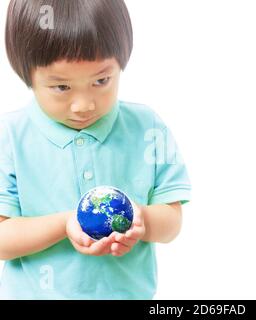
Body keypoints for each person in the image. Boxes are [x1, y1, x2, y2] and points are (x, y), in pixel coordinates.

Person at [0, 0, 191, 299]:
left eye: (101, 80)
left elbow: (172, 223)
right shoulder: (9, 136)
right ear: (27, 76)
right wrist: (66, 224)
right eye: (61, 87)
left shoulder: (147, 128)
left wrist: (141, 220)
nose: (84, 105)